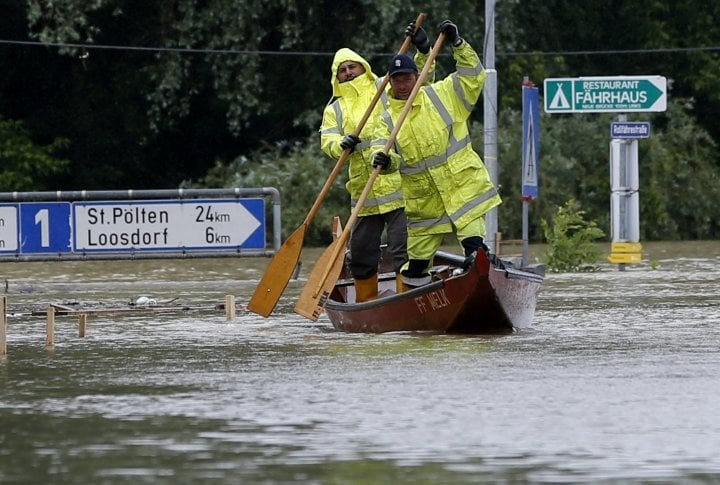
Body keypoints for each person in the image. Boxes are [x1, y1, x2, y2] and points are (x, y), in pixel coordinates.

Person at [371, 20, 502, 290]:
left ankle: (479, 281)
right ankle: (417, 306)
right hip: (425, 204)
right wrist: (384, 162)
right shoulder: (387, 119)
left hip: (462, 187)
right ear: (390, 83)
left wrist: (458, 43)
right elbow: (384, 151)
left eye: (408, 78)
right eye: (397, 80)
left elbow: (473, 76)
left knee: (475, 248)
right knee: (416, 266)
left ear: (417, 76)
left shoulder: (441, 94)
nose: (403, 85)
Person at [319, 22, 434, 302]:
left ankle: (407, 301)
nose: (348, 72)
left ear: (362, 67)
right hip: (364, 193)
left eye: (352, 67)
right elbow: (327, 142)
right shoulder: (333, 108)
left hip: (397, 187)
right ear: (337, 76)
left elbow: (417, 79)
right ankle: (366, 307)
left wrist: (423, 48)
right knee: (360, 255)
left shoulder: (384, 88)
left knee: (402, 250)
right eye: (342, 69)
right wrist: (341, 144)